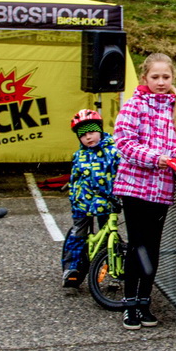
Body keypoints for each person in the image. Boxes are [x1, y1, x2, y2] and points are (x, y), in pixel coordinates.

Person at [113, 53, 176, 330]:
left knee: (153, 246)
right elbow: (123, 141)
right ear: (144, 78)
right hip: (134, 186)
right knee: (137, 245)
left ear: (173, 77)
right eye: (155, 77)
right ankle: (129, 305)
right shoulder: (133, 105)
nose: (161, 82)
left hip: (161, 189)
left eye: (166, 77)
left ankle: (144, 301)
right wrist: (156, 157)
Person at [62, 109, 120, 289]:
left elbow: (122, 173)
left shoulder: (113, 151)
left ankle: (110, 266)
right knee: (78, 233)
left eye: (92, 132)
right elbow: (74, 179)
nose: (88, 138)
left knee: (109, 234)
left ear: (100, 131)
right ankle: (71, 268)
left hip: (107, 202)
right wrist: (74, 198)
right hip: (83, 202)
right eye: (83, 135)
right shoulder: (79, 155)